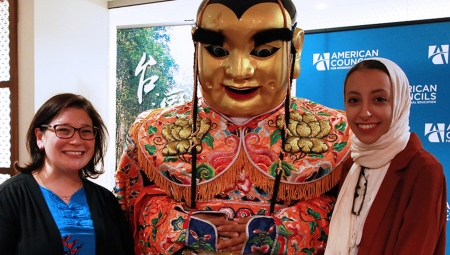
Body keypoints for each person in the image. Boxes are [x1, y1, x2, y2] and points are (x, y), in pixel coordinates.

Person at [114, 0, 352, 254]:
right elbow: (123, 221)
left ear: (296, 48)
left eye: (262, 52)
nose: (240, 71)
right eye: (217, 50)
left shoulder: (337, 132)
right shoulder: (152, 131)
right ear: (197, 48)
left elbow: (354, 219)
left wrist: (280, 229)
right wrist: (183, 227)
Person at [325, 58, 447, 255]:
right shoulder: (352, 164)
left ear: (400, 102)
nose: (364, 113)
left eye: (379, 99)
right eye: (354, 100)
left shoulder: (423, 170)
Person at [0, 93, 135, 255]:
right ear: (40, 137)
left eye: (85, 131)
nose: (77, 141)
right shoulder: (10, 196)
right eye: (63, 130)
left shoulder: (106, 201)